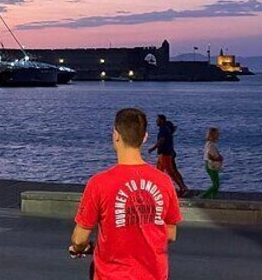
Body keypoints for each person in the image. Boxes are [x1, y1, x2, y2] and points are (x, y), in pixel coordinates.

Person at [69, 108, 182, 280]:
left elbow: (79, 239)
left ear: (116, 135)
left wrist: (79, 248)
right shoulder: (164, 181)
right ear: (144, 138)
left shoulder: (99, 183)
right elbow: (170, 234)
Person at [148, 114, 188, 196]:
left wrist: (153, 148)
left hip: (165, 154)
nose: (156, 121)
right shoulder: (165, 129)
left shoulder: (163, 130)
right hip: (164, 153)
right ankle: (159, 189)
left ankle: (182, 188)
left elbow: (161, 140)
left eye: (157, 120)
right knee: (159, 172)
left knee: (170, 172)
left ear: (161, 120)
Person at [200, 127, 223, 199]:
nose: (218, 136)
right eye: (217, 134)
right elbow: (209, 156)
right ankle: (204, 196)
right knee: (216, 184)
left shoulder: (210, 144)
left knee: (216, 184)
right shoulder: (210, 145)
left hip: (210, 165)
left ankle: (212, 197)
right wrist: (218, 159)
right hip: (211, 165)